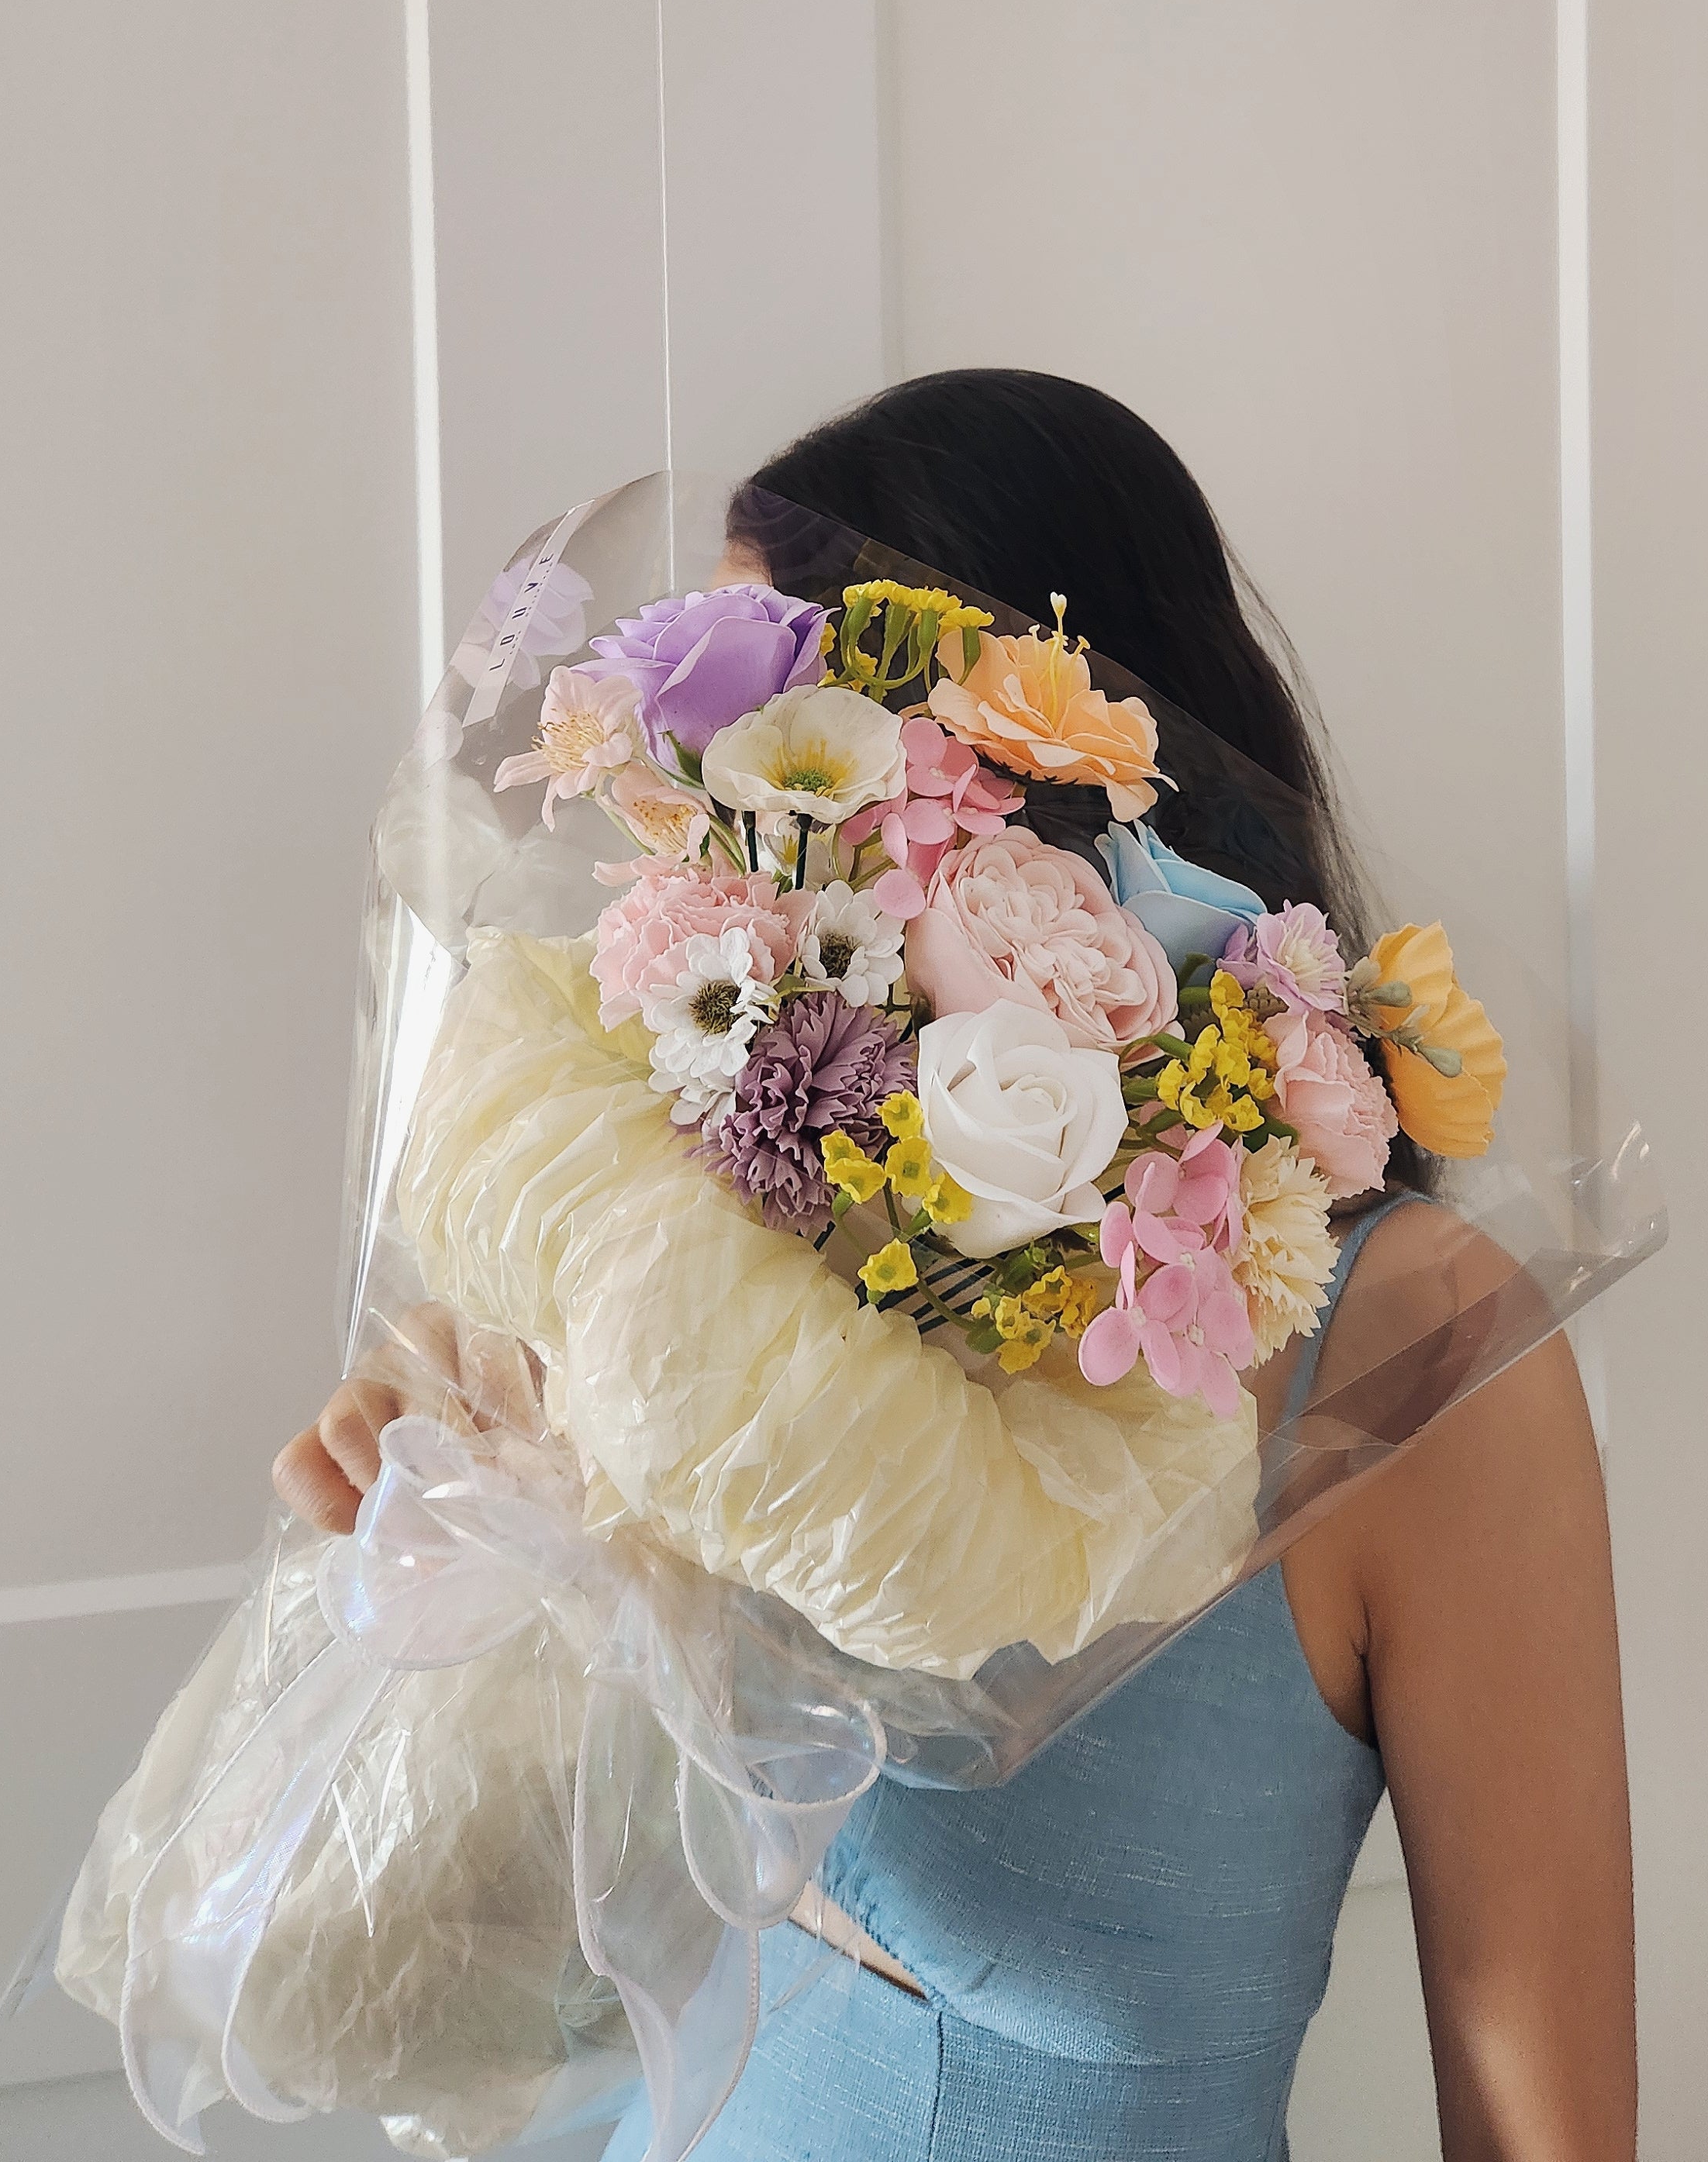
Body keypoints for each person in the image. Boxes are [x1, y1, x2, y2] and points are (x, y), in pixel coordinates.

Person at [275, 369, 1636, 2162]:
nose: (712, 823)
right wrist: (453, 1575)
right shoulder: (712, 1288)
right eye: (711, 765)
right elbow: (501, 1994)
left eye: (775, 732)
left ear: (1025, 773)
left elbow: (1553, 2131)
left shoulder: (1419, 1346)